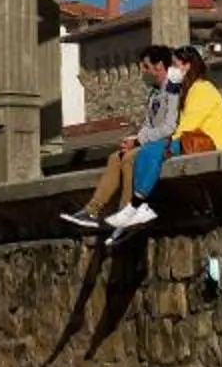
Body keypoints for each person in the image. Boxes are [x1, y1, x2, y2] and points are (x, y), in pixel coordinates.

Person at [99, 46, 222, 246]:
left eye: (176, 66)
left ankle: (136, 206)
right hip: (191, 139)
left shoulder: (202, 89)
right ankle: (135, 208)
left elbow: (188, 124)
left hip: (206, 142)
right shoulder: (187, 89)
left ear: (187, 66)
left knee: (152, 152)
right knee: (147, 152)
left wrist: (167, 142)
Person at [60, 46, 180, 233]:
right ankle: (92, 211)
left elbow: (169, 127)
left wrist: (139, 141)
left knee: (130, 158)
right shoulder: (154, 93)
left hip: (165, 144)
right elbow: (149, 125)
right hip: (149, 141)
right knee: (116, 157)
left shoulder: (173, 90)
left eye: (146, 67)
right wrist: (134, 138)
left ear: (159, 66)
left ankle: (126, 213)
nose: (143, 72)